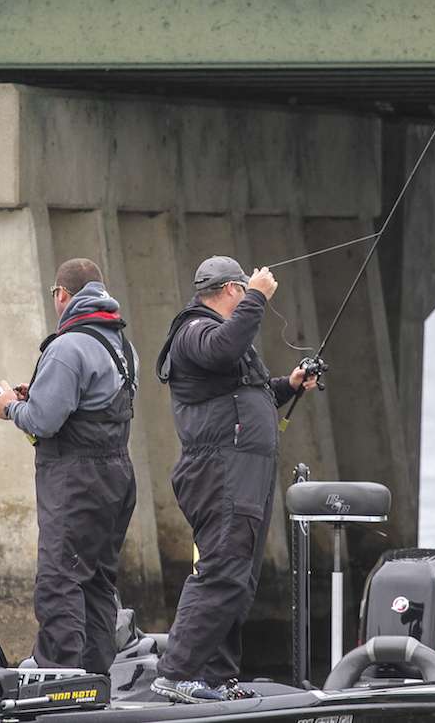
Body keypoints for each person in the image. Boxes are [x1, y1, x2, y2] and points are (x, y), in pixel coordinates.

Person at [151, 256, 317, 703]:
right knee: (221, 571)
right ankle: (178, 673)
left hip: (244, 471)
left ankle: (216, 676)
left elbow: (247, 394)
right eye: (243, 291)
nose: (248, 296)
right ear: (231, 290)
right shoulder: (193, 333)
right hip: (219, 471)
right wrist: (259, 297)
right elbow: (223, 348)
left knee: (239, 579)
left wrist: (290, 385)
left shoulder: (224, 338)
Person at [0, 258, 137, 675]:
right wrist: (33, 397)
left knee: (60, 578)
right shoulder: (122, 346)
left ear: (62, 295)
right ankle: (94, 678)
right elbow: (86, 403)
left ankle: (56, 672)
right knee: (96, 581)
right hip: (117, 478)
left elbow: (42, 422)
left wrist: (9, 407)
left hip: (76, 480)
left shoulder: (68, 346)